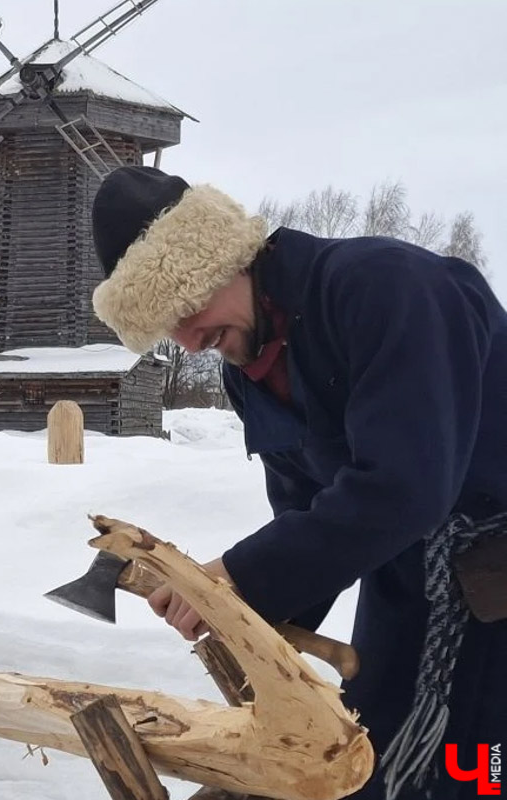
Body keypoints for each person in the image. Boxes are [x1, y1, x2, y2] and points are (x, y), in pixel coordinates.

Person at [89, 166, 507, 799]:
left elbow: (407, 486)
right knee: (363, 755)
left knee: (476, 770)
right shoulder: (246, 369)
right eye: (165, 327)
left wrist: (241, 574)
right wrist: (238, 608)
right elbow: (309, 513)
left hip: (495, 577)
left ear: (233, 258)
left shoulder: (383, 287)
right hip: (403, 574)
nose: (190, 340)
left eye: (187, 304)